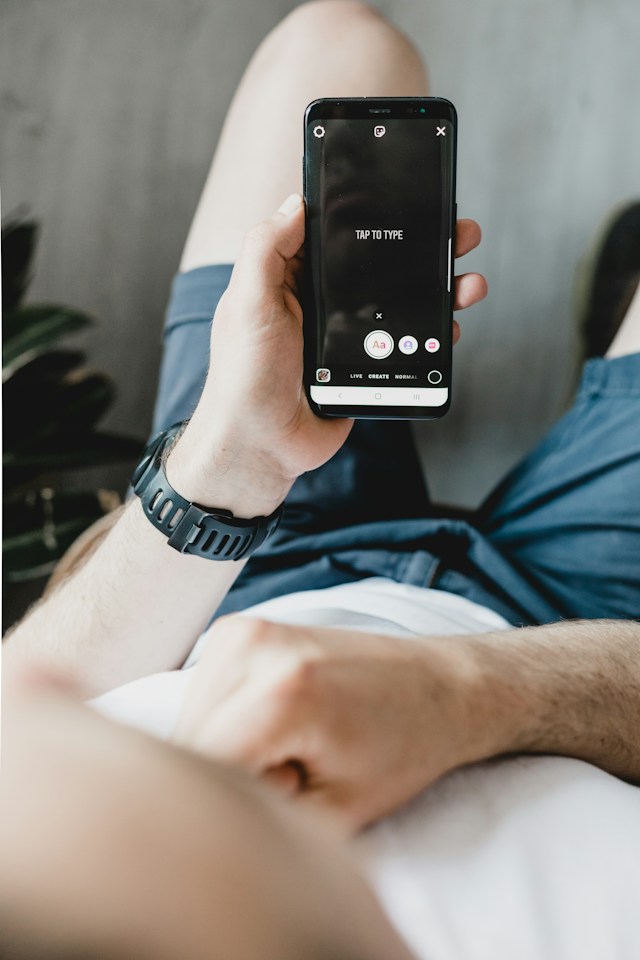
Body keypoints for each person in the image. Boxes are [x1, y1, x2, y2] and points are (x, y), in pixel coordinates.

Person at [3, 0, 640, 922]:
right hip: (578, 646)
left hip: (234, 574)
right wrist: (462, 693)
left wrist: (229, 463)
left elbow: (23, 713)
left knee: (337, 45)